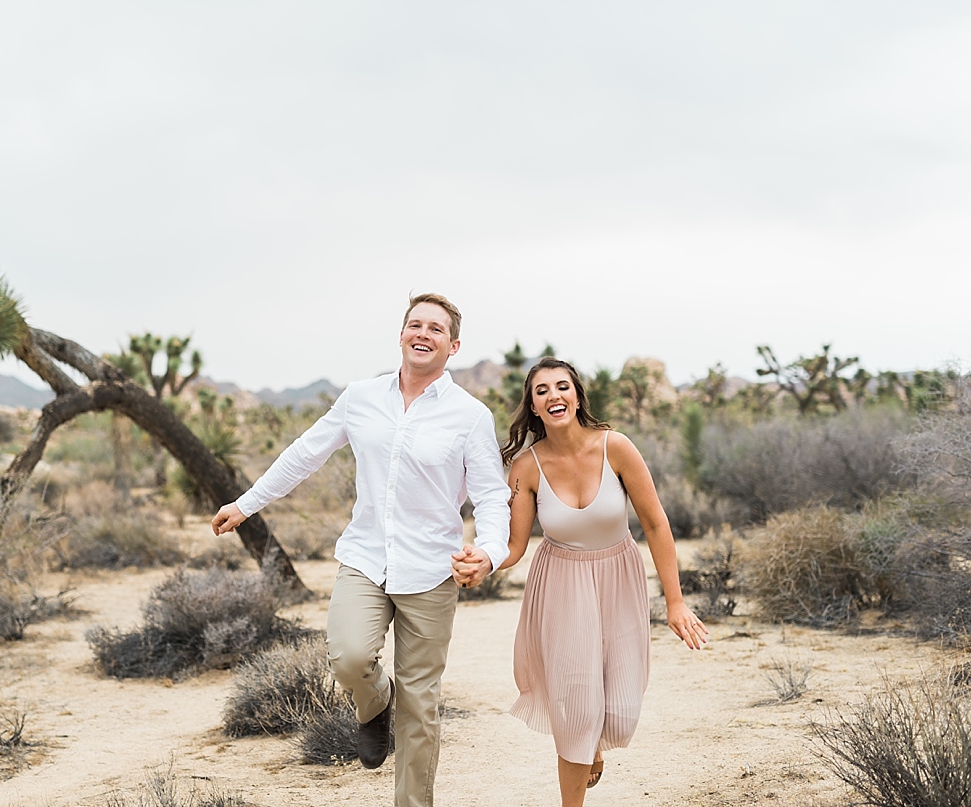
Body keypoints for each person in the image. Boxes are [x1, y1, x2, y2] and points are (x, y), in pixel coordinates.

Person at [211, 293, 511, 807]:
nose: (423, 333)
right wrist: (247, 503)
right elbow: (305, 454)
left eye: (436, 329)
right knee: (349, 658)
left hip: (433, 570)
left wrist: (489, 552)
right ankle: (375, 703)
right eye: (414, 324)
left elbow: (490, 495)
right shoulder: (360, 397)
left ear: (453, 345)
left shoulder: (470, 416)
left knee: (422, 707)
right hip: (366, 558)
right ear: (400, 335)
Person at [452, 357, 708, 807]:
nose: (554, 396)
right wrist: (485, 562)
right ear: (532, 406)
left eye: (562, 386)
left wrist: (675, 602)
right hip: (561, 586)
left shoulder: (617, 448)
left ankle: (592, 745)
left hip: (619, 580)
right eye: (542, 390)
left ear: (577, 395)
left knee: (620, 710)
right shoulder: (525, 468)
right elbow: (514, 545)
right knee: (576, 707)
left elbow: (656, 524)